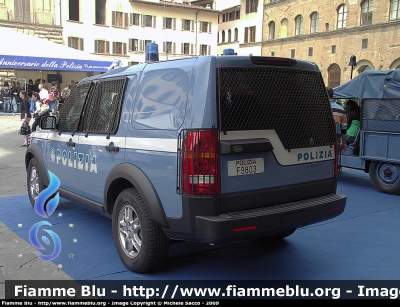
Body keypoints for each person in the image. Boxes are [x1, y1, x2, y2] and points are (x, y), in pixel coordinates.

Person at [326, 87, 347, 152]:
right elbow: (343, 130)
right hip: (335, 140)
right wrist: (343, 143)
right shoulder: (341, 110)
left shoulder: (319, 107)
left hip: (321, 140)